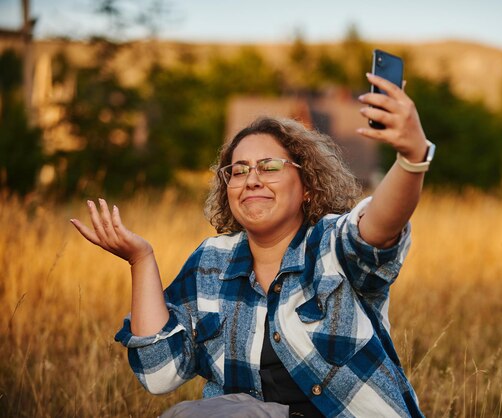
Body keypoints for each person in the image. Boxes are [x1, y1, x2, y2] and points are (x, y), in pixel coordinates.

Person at [70, 72, 433, 417]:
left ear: (307, 187)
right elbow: (159, 374)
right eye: (239, 170)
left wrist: (412, 159)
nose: (252, 179)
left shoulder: (331, 245)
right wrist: (141, 260)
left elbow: (379, 229)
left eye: (270, 166)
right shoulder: (212, 262)